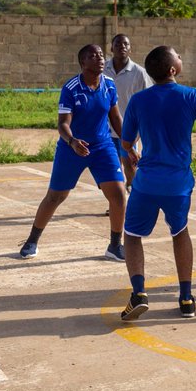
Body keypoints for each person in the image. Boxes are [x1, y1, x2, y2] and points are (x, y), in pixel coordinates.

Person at [118, 46, 196, 320]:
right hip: (178, 184)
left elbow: (127, 141)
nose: (182, 57)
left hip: (147, 183)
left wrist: (132, 152)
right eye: (179, 55)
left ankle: (139, 292)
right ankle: (186, 298)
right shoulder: (191, 96)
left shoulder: (139, 101)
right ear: (173, 70)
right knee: (180, 232)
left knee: (131, 235)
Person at [19, 44, 127, 261]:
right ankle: (32, 240)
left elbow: (115, 118)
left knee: (118, 194)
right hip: (72, 148)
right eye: (92, 56)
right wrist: (72, 141)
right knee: (55, 196)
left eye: (101, 55)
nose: (99, 58)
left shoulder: (109, 85)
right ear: (83, 63)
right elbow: (62, 124)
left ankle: (115, 245)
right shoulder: (71, 88)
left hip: (103, 146)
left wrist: (128, 146)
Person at [104, 33, 153, 191]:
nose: (122, 47)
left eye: (125, 44)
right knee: (111, 169)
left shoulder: (139, 73)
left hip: (129, 128)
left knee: (130, 166)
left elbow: (149, 100)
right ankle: (115, 203)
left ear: (130, 49)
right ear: (111, 48)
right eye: (118, 44)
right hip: (105, 130)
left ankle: (132, 194)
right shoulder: (102, 69)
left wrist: (140, 128)